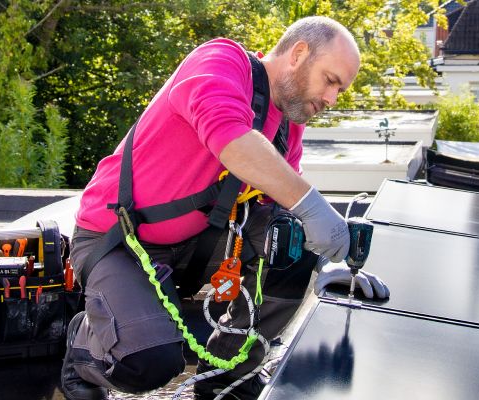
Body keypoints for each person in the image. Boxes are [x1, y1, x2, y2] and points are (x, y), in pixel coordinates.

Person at [60, 16, 391, 400]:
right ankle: (82, 349)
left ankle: (225, 380)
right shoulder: (220, 61)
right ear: (299, 54)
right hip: (118, 242)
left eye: (340, 90)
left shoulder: (287, 127)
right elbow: (230, 137)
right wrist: (313, 206)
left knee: (289, 244)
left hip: (196, 246)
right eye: (331, 81)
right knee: (148, 362)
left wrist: (322, 260)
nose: (332, 99)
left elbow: (278, 212)